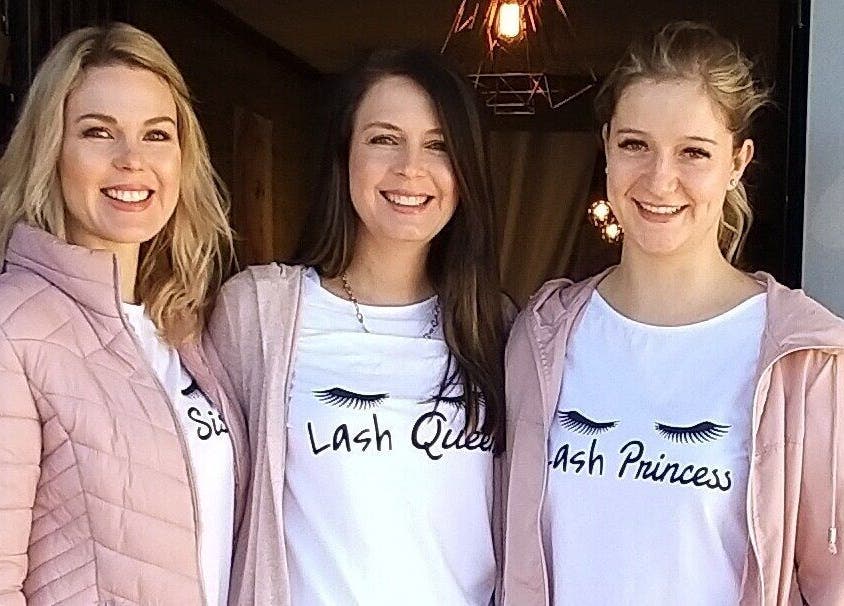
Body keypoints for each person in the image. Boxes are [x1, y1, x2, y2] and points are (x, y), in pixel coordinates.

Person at [503, 21, 844, 606]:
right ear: (607, 145)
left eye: (694, 152)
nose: (661, 179)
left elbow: (832, 583)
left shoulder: (805, 358)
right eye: (635, 144)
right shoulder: (543, 334)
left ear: (738, 161)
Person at [205, 48, 509, 605]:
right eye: (383, 139)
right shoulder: (260, 315)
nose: (410, 168)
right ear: (343, 156)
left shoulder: (499, 330)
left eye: (438, 145)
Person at [0, 23, 248, 605]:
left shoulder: (183, 327)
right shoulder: (15, 328)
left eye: (156, 135)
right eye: (98, 132)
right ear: (51, 150)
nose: (132, 160)